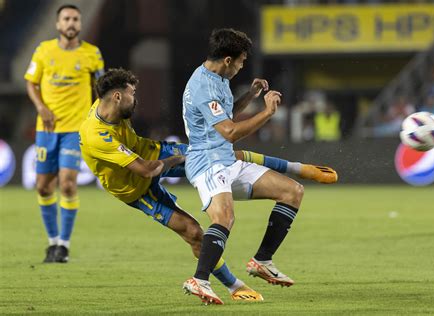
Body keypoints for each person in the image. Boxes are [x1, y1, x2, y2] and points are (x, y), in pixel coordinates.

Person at [79, 68, 336, 303]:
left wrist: (249, 96)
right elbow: (148, 170)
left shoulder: (109, 107)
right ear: (116, 96)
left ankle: (299, 169)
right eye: (132, 93)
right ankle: (234, 286)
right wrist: (180, 158)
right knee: (192, 232)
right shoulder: (97, 136)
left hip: (153, 152)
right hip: (136, 189)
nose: (136, 98)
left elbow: (221, 124)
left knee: (219, 152)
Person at [182, 28, 313, 305]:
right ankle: (199, 280)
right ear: (228, 59)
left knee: (292, 191)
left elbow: (225, 117)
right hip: (206, 162)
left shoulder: (217, 77)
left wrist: (251, 96)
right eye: (241, 61)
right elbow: (229, 131)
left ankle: (262, 260)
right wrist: (267, 112)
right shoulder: (203, 86)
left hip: (227, 160)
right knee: (225, 217)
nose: (242, 66)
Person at [24, 4, 104, 263]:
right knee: (43, 186)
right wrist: (41, 107)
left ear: (80, 24)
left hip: (75, 129)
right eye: (66, 19)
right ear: (58, 24)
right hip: (46, 130)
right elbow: (31, 82)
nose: (71, 23)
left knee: (68, 184)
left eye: (75, 19)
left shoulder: (92, 54)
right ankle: (52, 242)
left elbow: (101, 89)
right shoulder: (44, 51)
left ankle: (64, 246)